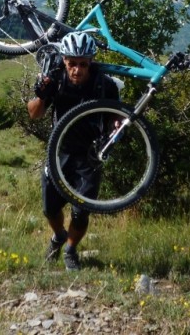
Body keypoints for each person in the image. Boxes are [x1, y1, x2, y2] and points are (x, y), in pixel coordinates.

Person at [27, 31, 120, 271]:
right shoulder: (55, 80)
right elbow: (34, 114)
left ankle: (70, 250)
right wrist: (40, 95)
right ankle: (58, 235)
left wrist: (115, 126)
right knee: (50, 208)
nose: (77, 70)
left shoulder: (105, 84)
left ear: (91, 62)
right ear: (64, 61)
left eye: (83, 64)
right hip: (59, 152)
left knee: (81, 212)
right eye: (72, 64)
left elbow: (114, 117)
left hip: (89, 155)